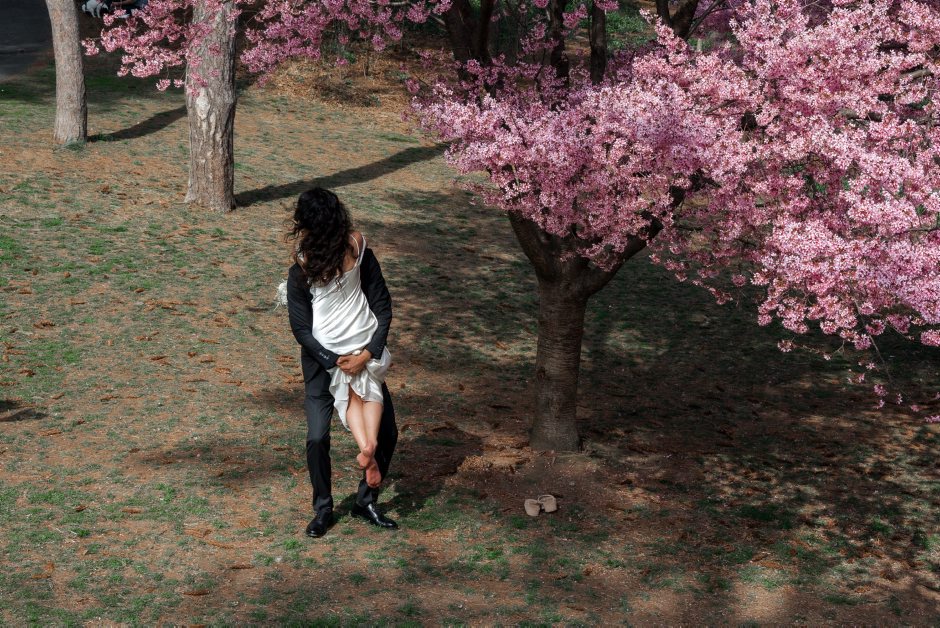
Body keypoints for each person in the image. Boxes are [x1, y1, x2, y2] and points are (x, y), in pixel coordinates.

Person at [285, 187, 399, 538]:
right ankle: (323, 509)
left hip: (362, 356)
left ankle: (366, 501)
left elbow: (382, 307)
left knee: (388, 432)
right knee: (317, 437)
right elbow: (302, 329)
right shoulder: (300, 269)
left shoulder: (361, 254)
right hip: (322, 365)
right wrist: (334, 360)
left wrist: (366, 354)